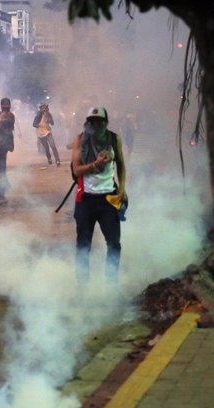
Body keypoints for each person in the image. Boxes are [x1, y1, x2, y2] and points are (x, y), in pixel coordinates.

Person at [71, 106, 127, 284]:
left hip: (108, 200)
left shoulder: (114, 139)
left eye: (99, 122)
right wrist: (95, 164)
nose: (95, 126)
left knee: (114, 244)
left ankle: (111, 284)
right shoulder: (80, 140)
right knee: (83, 246)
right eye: (91, 122)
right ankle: (82, 285)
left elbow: (121, 164)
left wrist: (123, 188)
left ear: (106, 122)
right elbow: (77, 170)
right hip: (86, 199)